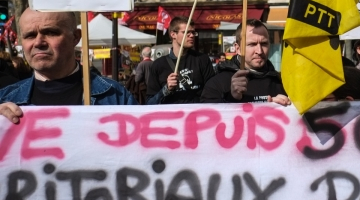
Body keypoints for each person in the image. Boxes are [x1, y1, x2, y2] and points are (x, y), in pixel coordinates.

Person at [0, 9, 137, 124]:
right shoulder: (5, 99)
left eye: (50, 33)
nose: (38, 42)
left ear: (75, 37)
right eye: (30, 35)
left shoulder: (116, 96)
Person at [200, 19, 290, 106]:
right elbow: (208, 116)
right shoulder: (218, 83)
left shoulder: (282, 81)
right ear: (238, 48)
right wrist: (232, 98)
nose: (259, 51)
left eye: (264, 44)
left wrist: (283, 106)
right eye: (252, 44)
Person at [146, 17, 215, 104]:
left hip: (196, 115)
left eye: (193, 32)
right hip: (171, 116)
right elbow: (149, 103)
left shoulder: (202, 59)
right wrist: (166, 89)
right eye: (186, 32)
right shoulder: (158, 65)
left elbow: (213, 93)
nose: (192, 35)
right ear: (173, 34)